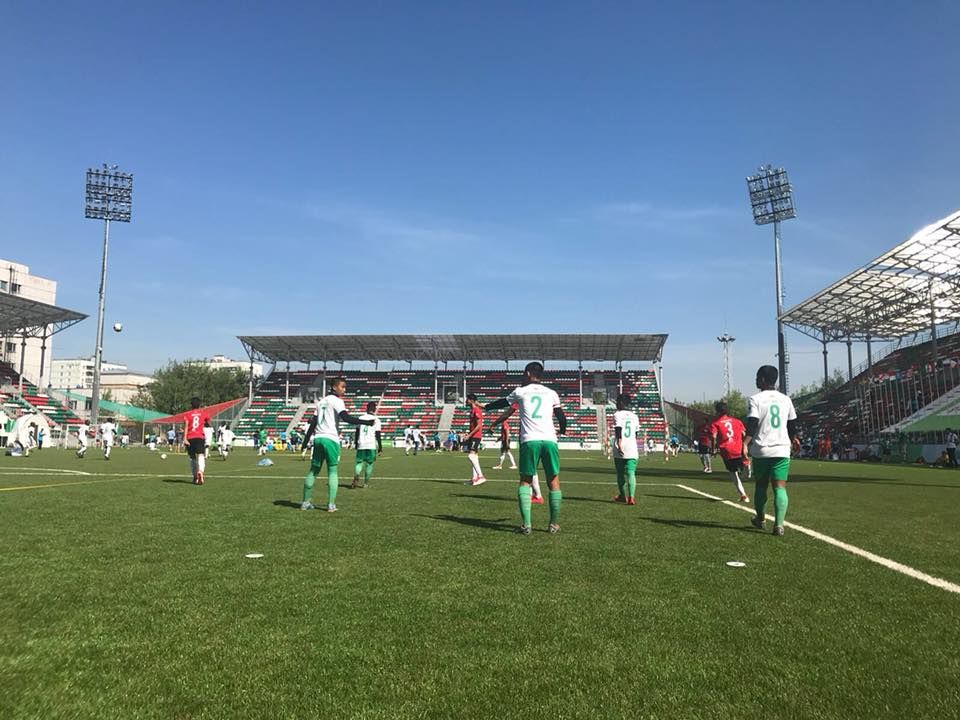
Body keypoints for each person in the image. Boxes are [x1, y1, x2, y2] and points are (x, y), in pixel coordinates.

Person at [488, 362, 567, 534]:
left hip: (530, 440)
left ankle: (527, 525)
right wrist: (562, 430)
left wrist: (486, 407)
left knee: (526, 480)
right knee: (553, 480)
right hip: (549, 440)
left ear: (528, 373)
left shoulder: (520, 391)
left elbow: (502, 403)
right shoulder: (552, 393)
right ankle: (553, 524)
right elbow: (561, 417)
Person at [300, 377, 375, 512]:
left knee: (313, 471)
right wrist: (366, 422)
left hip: (318, 438)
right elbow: (346, 417)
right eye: (342, 387)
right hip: (330, 439)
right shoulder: (337, 401)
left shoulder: (321, 402)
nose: (344, 390)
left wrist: (305, 442)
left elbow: (313, 423)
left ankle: (305, 502)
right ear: (334, 387)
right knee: (332, 471)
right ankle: (331, 505)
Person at [745, 365, 799, 537]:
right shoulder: (786, 399)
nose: (755, 380)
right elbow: (792, 424)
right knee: (780, 487)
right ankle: (779, 525)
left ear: (762, 379)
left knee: (761, 486)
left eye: (756, 377)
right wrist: (794, 439)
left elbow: (753, 423)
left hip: (762, 449)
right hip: (782, 449)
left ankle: (760, 519)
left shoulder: (756, 399)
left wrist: (745, 442)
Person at [710, 401, 749, 502]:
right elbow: (744, 433)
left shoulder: (715, 423)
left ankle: (743, 495)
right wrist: (744, 444)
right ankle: (746, 466)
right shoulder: (737, 421)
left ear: (717, 411)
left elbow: (713, 437)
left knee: (733, 474)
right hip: (739, 448)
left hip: (727, 450)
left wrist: (713, 449)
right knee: (742, 473)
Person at [612, 393, 640, 505]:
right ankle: (631, 497)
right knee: (631, 473)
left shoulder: (617, 415)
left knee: (620, 473)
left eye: (617, 402)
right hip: (632, 447)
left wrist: (619, 442)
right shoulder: (635, 416)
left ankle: (623, 496)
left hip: (620, 446)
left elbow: (618, 429)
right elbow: (636, 433)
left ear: (621, 403)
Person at [352, 401, 383, 489]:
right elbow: (378, 434)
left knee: (359, 463)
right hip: (371, 445)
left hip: (361, 443)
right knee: (369, 464)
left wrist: (356, 442)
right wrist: (380, 447)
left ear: (366, 408)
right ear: (374, 409)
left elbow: (357, 431)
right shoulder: (377, 420)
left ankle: (357, 474)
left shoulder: (360, 418)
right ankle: (365, 484)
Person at [183, 397, 211, 485]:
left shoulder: (187, 415)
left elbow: (186, 426)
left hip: (190, 437)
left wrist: (184, 438)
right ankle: (201, 471)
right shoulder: (204, 413)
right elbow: (209, 423)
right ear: (199, 405)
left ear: (191, 405)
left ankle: (195, 476)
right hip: (199, 437)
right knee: (201, 455)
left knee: (192, 457)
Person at [463, 394, 486, 485]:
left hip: (476, 436)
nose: (465, 401)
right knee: (474, 457)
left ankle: (481, 476)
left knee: (471, 456)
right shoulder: (472, 410)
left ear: (472, 400)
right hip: (473, 436)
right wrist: (469, 434)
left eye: (467, 399)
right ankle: (474, 479)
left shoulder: (476, 410)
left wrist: (470, 435)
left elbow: (479, 425)